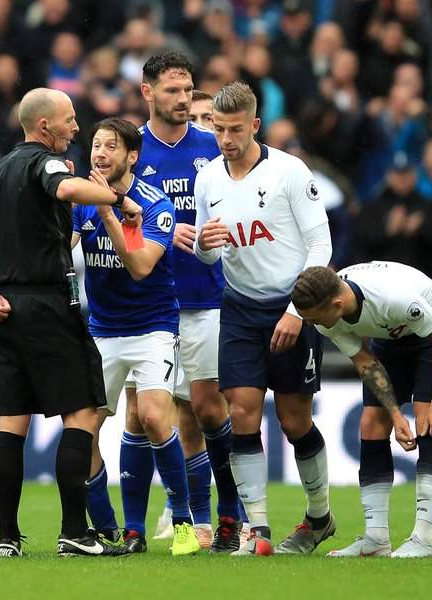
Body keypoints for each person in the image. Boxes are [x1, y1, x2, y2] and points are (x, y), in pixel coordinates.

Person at [0, 87, 142, 558]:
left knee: (12, 424)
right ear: (44, 127)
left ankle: (6, 538)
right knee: (81, 414)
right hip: (47, 302)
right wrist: (116, 197)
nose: (77, 128)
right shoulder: (45, 163)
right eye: (70, 120)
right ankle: (74, 533)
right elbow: (64, 187)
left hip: (4, 308)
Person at [195, 81, 336, 556]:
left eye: (235, 129)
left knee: (295, 419)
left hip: (291, 306)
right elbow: (209, 254)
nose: (226, 139)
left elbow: (322, 247)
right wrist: (202, 245)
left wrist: (299, 311)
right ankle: (257, 530)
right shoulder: (208, 178)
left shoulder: (290, 172)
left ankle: (320, 516)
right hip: (238, 307)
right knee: (241, 413)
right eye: (219, 130)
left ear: (255, 124)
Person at [73, 117, 200, 556]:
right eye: (95, 144)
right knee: (82, 430)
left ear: (132, 156)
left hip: (153, 328)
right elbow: (62, 248)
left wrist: (109, 215)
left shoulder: (155, 203)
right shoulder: (80, 198)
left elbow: (141, 265)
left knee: (151, 417)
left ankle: (182, 520)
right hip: (102, 330)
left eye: (111, 146)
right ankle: (113, 528)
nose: (100, 153)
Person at [134, 51, 243, 553]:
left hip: (205, 298)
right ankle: (190, 519)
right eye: (173, 91)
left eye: (188, 90)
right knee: (155, 414)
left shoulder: (213, 150)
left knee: (206, 406)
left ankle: (230, 510)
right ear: (147, 93)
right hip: (149, 306)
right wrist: (156, 226)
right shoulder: (129, 151)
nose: (183, 100)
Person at [291, 262, 432, 559]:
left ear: (337, 304)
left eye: (313, 318)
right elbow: (365, 362)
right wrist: (396, 416)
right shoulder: (324, 318)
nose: (309, 324)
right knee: (371, 424)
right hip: (390, 335)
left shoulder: (392, 297)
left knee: (427, 421)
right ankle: (376, 539)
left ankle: (422, 539)